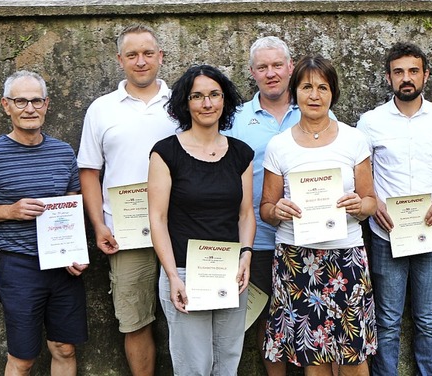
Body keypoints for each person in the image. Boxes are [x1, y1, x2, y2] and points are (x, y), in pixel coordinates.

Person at [0, 70, 88, 376]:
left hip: (62, 266)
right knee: (23, 357)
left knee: (65, 348)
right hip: (20, 268)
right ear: (6, 106)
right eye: (21, 101)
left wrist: (75, 251)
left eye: (36, 101)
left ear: (47, 104)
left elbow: (72, 206)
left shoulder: (63, 152)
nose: (30, 108)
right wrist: (9, 211)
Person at [260, 54, 377, 376]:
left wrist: (359, 205)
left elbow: (371, 202)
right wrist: (278, 210)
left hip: (346, 255)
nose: (314, 95)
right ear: (294, 92)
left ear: (333, 93)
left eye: (323, 88)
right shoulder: (279, 145)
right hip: (297, 259)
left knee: (353, 354)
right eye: (307, 87)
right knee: (314, 354)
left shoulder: (354, 139)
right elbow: (266, 210)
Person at [356, 42, 432, 376]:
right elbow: (362, 173)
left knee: (428, 321)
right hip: (387, 233)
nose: (407, 78)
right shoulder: (370, 122)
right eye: (399, 71)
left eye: (413, 71)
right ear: (388, 77)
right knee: (387, 320)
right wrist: (374, 207)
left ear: (425, 75)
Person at [77, 24, 175, 376]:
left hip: (180, 229)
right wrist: (99, 225)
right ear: (120, 60)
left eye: (148, 53)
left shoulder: (183, 102)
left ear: (161, 56)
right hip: (126, 235)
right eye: (132, 55)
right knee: (135, 322)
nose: (141, 61)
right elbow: (89, 170)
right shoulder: (102, 109)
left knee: (194, 313)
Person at [148, 64, 255, 375]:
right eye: (197, 96)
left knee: (227, 363)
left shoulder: (241, 153)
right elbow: (157, 218)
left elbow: (245, 213)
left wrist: (245, 255)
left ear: (225, 101)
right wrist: (172, 276)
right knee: (193, 366)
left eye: (214, 95)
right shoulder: (165, 153)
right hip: (183, 271)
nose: (207, 104)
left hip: (230, 272)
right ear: (185, 103)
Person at [223, 35, 295, 376]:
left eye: (277, 65)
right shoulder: (235, 119)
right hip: (259, 239)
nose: (271, 73)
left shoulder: (314, 109)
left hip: (306, 237)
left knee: (310, 315)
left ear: (290, 68)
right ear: (252, 72)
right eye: (263, 67)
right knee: (268, 320)